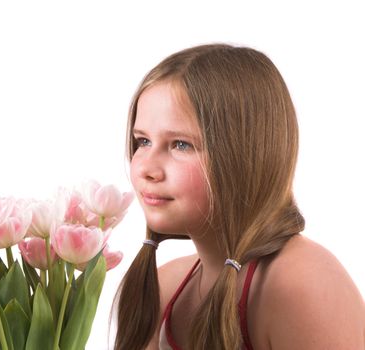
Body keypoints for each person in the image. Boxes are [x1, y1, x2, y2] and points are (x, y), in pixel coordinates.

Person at [113, 44, 365, 350]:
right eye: (142, 141)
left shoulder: (301, 284)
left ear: (244, 155)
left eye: (180, 144)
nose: (147, 169)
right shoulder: (165, 288)